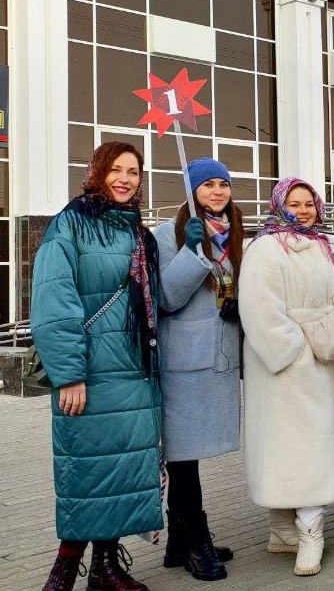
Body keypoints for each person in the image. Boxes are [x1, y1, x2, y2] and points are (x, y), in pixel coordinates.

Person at [33, 142, 162, 591]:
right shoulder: (71, 224)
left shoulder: (139, 234)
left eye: (134, 172)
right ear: (97, 173)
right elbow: (53, 301)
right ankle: (63, 572)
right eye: (116, 169)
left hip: (134, 375)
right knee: (85, 474)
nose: (126, 179)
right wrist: (70, 373)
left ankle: (106, 568)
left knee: (120, 473)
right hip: (91, 374)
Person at [240, 177, 334, 577]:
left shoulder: (319, 246)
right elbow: (258, 308)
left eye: (310, 203)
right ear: (279, 205)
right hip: (284, 364)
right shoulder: (265, 248)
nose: (304, 210)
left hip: (316, 360)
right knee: (283, 444)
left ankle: (300, 528)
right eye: (295, 203)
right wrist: (293, 349)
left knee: (309, 444)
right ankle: (297, 531)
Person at [154, 158, 241, 581]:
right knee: (183, 457)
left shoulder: (234, 234)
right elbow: (166, 298)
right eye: (207, 185)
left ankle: (177, 541)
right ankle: (197, 542)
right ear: (191, 191)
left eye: (223, 184)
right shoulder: (165, 235)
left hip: (218, 358)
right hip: (183, 363)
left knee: (189, 458)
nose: (217, 192)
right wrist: (190, 251)